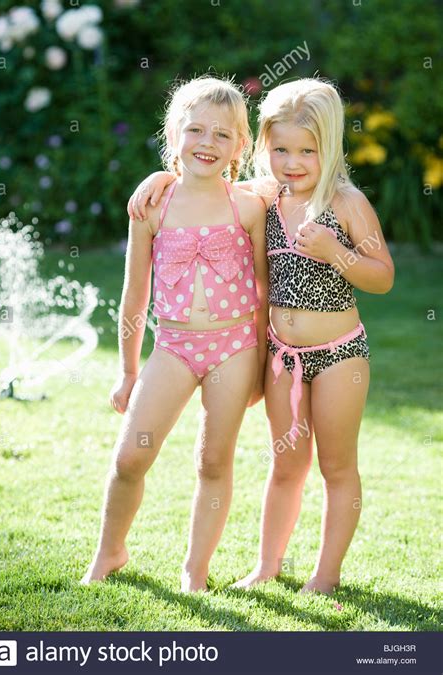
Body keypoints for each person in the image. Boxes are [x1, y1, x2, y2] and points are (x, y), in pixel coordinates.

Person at [127, 77, 394, 595]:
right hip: (281, 355)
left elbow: (383, 276)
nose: (292, 163)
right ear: (263, 147)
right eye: (280, 149)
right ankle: (268, 565)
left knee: (336, 466)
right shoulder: (264, 197)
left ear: (330, 147)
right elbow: (201, 182)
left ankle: (326, 573)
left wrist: (334, 253)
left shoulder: (345, 202)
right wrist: (158, 176)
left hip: (340, 355)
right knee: (286, 463)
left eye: (307, 151)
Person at [81, 75, 268, 592]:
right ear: (174, 134)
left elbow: (263, 295)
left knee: (213, 459)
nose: (207, 143)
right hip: (174, 347)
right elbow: (134, 298)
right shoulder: (152, 207)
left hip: (235, 348)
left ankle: (195, 569)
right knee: (130, 456)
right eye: (196, 130)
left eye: (222, 135)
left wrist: (259, 367)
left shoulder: (248, 207)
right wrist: (127, 371)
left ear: (240, 146)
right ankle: (110, 551)